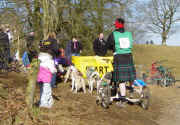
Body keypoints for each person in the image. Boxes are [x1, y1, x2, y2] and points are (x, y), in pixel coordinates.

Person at [106, 18, 136, 107]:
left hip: (119, 57)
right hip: (129, 56)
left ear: (116, 25)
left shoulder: (113, 34)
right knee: (131, 77)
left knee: (121, 79)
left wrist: (112, 48)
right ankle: (131, 91)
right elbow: (131, 44)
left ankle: (122, 99)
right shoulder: (129, 34)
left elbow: (108, 45)